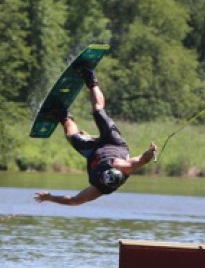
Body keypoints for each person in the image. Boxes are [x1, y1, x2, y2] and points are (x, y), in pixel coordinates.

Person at [34, 63, 157, 206]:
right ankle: (90, 78)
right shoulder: (125, 166)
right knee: (98, 111)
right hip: (113, 142)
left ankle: (64, 116)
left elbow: (75, 201)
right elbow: (143, 159)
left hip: (94, 152)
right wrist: (151, 151)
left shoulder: (99, 188)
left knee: (72, 137)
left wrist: (49, 197)